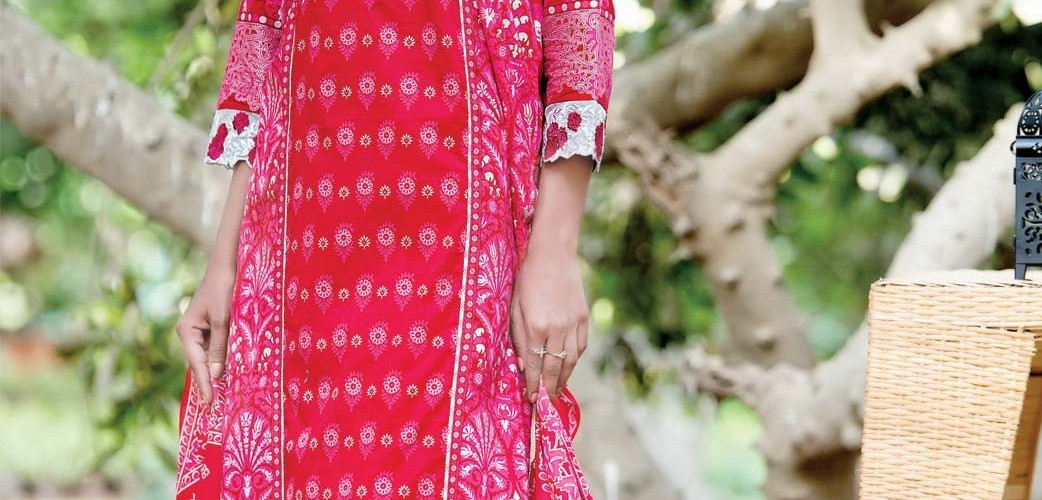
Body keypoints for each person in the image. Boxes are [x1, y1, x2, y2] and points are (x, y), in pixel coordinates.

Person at [173, 0, 614, 498]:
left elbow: (578, 23)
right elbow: (268, 33)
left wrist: (555, 251)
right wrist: (224, 263)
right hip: (303, 244)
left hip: (464, 227)